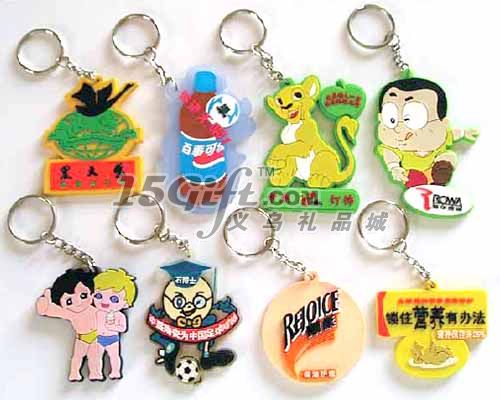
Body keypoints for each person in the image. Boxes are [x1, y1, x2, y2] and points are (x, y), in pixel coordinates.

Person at [377, 77, 478, 188]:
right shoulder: (394, 149)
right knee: (413, 178)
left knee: (448, 156)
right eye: (391, 119)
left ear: (443, 124)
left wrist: (464, 133)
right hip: (413, 173)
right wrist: (395, 168)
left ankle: (441, 171)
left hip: (435, 164)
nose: (400, 129)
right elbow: (391, 156)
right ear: (380, 118)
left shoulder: (441, 137)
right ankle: (420, 184)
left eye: (413, 118)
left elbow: (453, 134)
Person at [36, 268, 101, 381]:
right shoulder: (71, 313)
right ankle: (74, 373)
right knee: (77, 357)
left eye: (83, 295)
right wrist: (45, 304)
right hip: (82, 338)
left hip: (97, 337)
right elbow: (51, 310)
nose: (78, 302)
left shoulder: (97, 308)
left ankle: (95, 373)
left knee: (94, 357)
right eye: (69, 301)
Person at [92, 268, 137, 380]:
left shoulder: (119, 315)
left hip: (112, 338)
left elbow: (123, 328)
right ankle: (96, 373)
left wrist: (112, 326)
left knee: (114, 356)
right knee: (96, 356)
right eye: (98, 296)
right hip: (97, 338)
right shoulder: (96, 312)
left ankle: (115, 372)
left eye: (114, 299)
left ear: (126, 303)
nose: (105, 302)